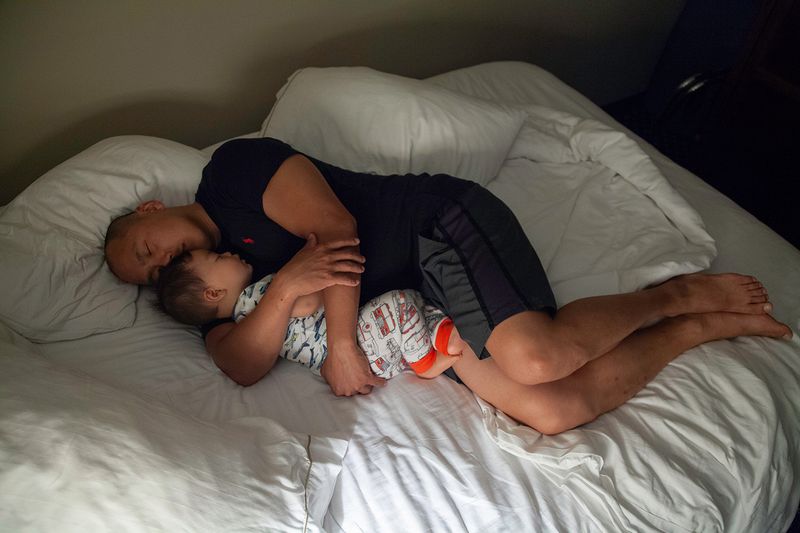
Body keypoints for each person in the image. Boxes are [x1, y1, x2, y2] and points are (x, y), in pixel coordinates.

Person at [105, 137, 793, 435]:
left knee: (536, 358)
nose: (160, 265)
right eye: (150, 274)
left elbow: (338, 228)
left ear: (149, 212)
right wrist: (284, 290)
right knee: (552, 410)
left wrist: (342, 344)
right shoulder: (203, 289)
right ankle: (694, 329)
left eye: (146, 249)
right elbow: (240, 363)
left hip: (434, 229)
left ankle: (673, 295)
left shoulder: (231, 172)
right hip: (416, 310)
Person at [155, 248, 467, 380]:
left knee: (409, 305)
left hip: (369, 355)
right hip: (360, 346)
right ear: (214, 293)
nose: (229, 253)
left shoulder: (244, 324)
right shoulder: (256, 297)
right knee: (399, 303)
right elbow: (306, 305)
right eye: (218, 257)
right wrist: (305, 275)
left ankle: (438, 336)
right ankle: (424, 362)